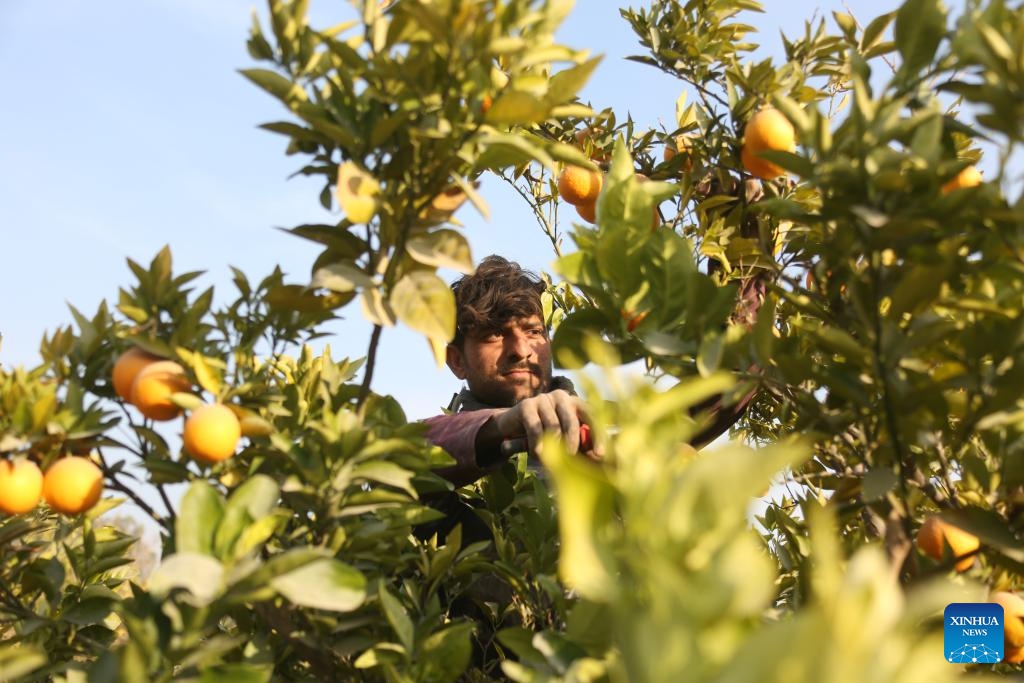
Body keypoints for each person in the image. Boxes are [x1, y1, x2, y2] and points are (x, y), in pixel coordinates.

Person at [423, 255, 761, 490]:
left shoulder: (606, 428)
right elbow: (409, 453)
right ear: (456, 361)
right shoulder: (440, 449)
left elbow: (728, 380)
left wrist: (741, 255)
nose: (520, 350)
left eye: (533, 332)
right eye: (493, 335)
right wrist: (503, 425)